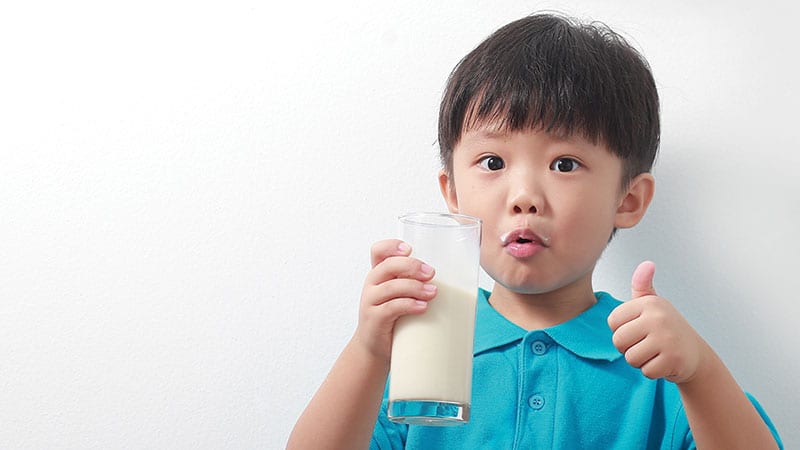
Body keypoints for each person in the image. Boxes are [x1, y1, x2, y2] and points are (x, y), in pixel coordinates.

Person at [287, 12, 783, 449]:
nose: (523, 194)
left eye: (564, 163)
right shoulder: (420, 347)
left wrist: (700, 372)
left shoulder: (655, 361)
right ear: (453, 194)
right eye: (492, 161)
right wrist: (369, 350)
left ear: (627, 200)